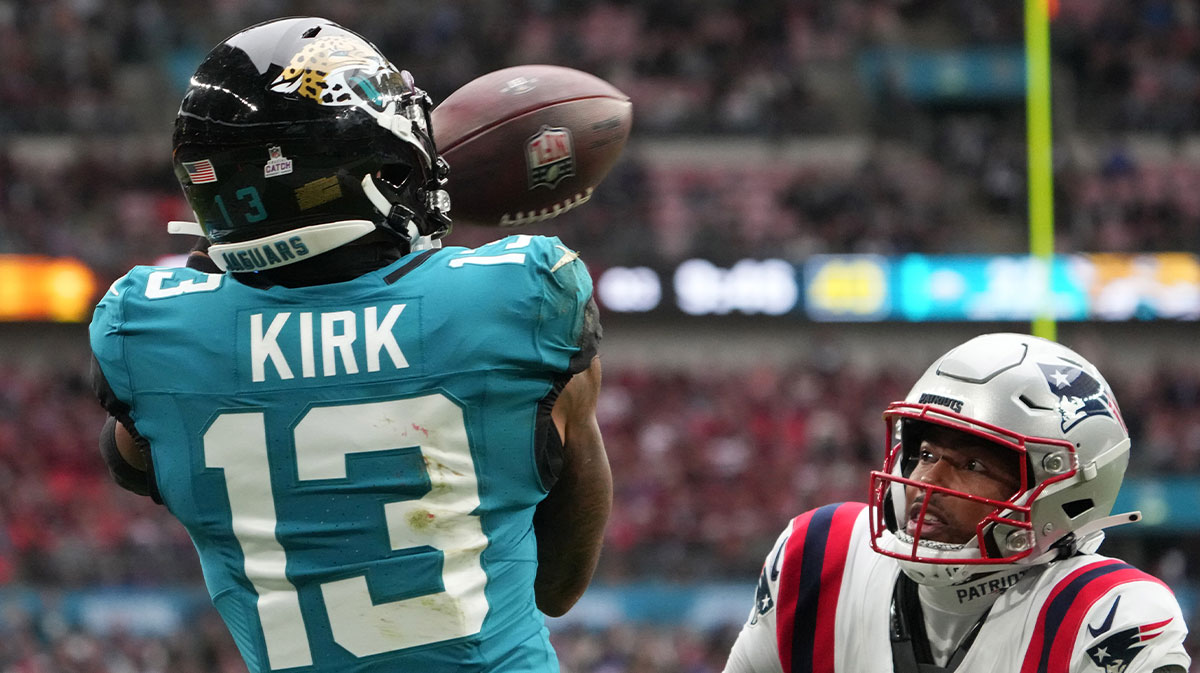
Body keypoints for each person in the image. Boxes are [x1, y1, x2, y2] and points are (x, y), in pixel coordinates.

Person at [89, 17, 611, 673]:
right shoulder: (519, 298)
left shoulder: (146, 333)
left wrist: (222, 258)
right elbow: (559, 585)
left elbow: (131, 458)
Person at [723, 333, 1190, 673]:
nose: (926, 482)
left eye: (973, 466)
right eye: (925, 454)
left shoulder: (1107, 614)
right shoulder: (821, 556)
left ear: (1065, 491)